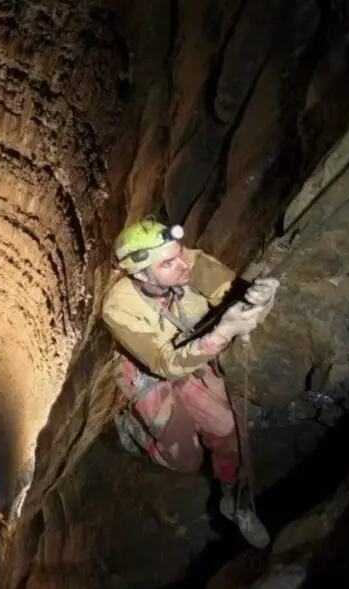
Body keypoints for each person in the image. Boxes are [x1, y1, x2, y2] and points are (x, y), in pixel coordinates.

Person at [101, 218, 279, 548]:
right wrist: (223, 331)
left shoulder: (194, 265)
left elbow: (239, 303)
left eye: (179, 253)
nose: (183, 265)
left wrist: (260, 301)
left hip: (193, 353)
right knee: (187, 460)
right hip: (146, 368)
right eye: (168, 263)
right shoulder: (118, 307)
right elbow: (163, 364)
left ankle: (235, 500)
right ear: (141, 274)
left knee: (230, 430)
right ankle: (135, 429)